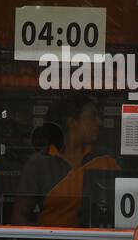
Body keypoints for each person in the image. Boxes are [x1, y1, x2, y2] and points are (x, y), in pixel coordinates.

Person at [10, 94, 118, 227]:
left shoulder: (105, 160)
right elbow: (20, 215)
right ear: (72, 121)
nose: (99, 122)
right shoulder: (40, 163)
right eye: (92, 116)